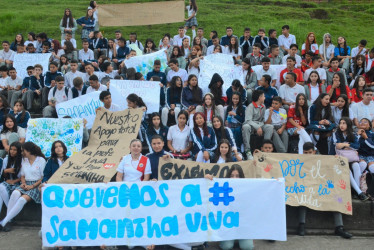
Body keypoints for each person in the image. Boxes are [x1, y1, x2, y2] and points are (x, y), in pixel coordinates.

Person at [298, 142, 352, 239]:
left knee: (336, 197)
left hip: (321, 188)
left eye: (310, 152)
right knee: (302, 198)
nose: (308, 155)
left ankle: (339, 227)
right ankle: (301, 225)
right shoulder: (299, 160)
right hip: (307, 189)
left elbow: (330, 167)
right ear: (302, 152)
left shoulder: (322, 159)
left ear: (314, 152)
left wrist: (335, 160)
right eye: (305, 153)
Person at [205, 165, 254, 250]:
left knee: (247, 247)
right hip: (227, 225)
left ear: (241, 177)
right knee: (226, 247)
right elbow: (211, 185)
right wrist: (207, 178)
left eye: (237, 176)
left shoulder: (247, 188)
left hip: (243, 226)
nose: (234, 178)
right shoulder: (223, 187)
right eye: (232, 176)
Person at [0, 142, 46, 231]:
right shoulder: (24, 160)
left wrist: (32, 186)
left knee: (22, 199)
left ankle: (4, 222)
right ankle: (8, 220)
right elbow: (22, 175)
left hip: (36, 185)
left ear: (29, 151)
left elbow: (42, 177)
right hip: (25, 183)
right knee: (15, 194)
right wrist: (24, 183)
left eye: (23, 151)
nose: (21, 153)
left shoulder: (41, 160)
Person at [333, 117, 369, 201]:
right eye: (340, 123)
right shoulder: (336, 133)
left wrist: (346, 145)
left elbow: (357, 146)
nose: (341, 125)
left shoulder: (352, 134)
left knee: (356, 165)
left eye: (344, 123)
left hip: (350, 158)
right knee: (346, 169)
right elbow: (337, 145)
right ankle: (359, 192)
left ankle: (355, 192)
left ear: (348, 125)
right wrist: (348, 146)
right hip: (338, 158)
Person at [242, 89, 273, 160]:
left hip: (260, 125)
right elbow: (247, 120)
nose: (264, 98)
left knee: (269, 127)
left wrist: (260, 126)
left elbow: (262, 120)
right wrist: (257, 127)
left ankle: (265, 149)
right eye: (263, 96)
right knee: (245, 127)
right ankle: (248, 151)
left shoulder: (263, 106)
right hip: (251, 125)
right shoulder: (250, 106)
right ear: (259, 97)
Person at [0, 142, 21, 230]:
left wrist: (14, 181)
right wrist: (6, 171)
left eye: (15, 150)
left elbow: (23, 176)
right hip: (8, 182)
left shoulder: (22, 160)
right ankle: (11, 216)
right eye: (11, 149)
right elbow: (2, 174)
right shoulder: (6, 159)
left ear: (19, 151)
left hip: (18, 183)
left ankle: (9, 218)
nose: (12, 151)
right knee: (0, 187)